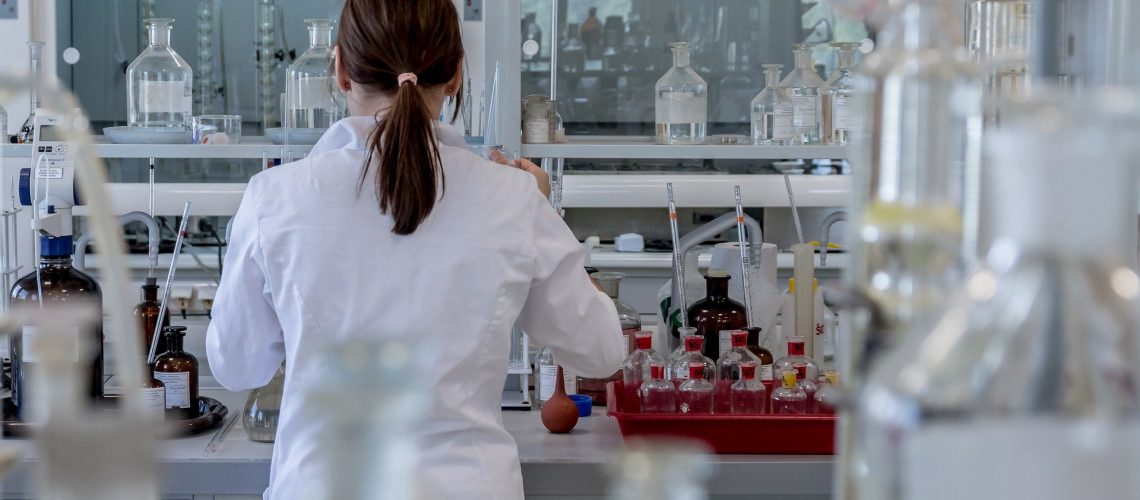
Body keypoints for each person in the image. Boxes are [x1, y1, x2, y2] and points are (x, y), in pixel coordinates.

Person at [205, 0, 625, 498]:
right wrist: (544, 214)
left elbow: (236, 368)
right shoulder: (512, 199)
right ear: (454, 76)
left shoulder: (274, 197)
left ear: (340, 71)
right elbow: (601, 351)